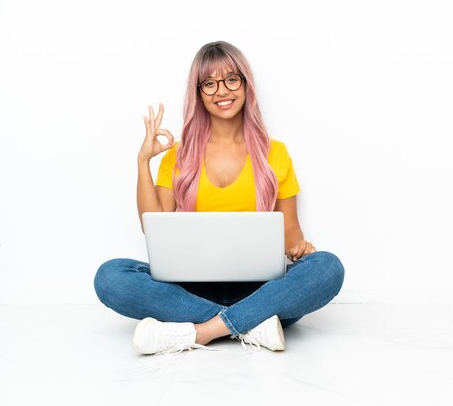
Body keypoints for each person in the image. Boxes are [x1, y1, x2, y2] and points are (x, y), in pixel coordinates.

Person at [93, 41, 345, 355]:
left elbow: (291, 232)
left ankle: (201, 331)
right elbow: (151, 224)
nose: (221, 91)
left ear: (245, 84)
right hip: (190, 289)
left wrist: (300, 249)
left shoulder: (275, 153)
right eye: (209, 83)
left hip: (259, 288)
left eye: (231, 80)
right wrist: (143, 162)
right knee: (110, 276)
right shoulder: (178, 155)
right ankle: (250, 324)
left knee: (327, 267)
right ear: (198, 93)